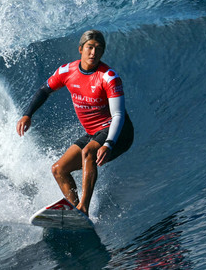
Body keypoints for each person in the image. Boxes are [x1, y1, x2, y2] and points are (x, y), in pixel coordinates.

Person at [16, 30, 134, 217]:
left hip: (118, 131)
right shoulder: (67, 71)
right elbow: (44, 90)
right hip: (94, 132)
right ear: (80, 49)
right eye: (90, 47)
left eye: (98, 49)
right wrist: (27, 114)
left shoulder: (108, 77)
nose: (93, 53)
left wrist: (109, 144)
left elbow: (118, 114)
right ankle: (78, 214)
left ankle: (83, 209)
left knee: (89, 151)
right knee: (58, 169)